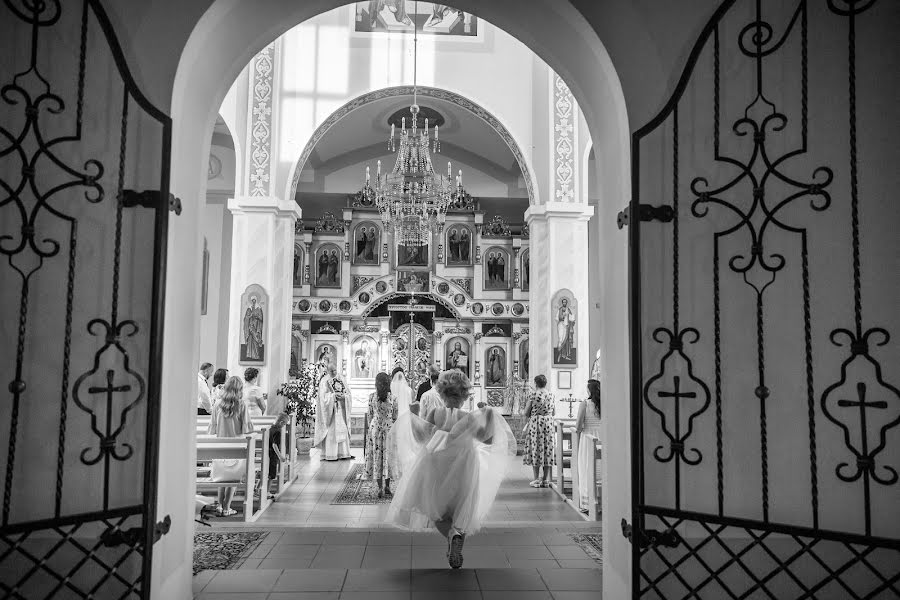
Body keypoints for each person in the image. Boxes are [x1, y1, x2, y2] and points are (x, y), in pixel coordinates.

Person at [387, 370, 517, 569]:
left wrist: (413, 415)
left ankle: (451, 535)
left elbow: (421, 438)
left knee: (435, 509)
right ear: (465, 395)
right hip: (464, 465)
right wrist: (489, 415)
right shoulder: (469, 417)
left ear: (441, 393)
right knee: (463, 508)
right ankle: (456, 536)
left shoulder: (435, 414)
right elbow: (488, 440)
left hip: (436, 465)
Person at [207, 376, 255, 516]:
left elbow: (212, 428)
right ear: (239, 389)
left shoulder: (218, 404)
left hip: (220, 444)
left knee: (222, 477)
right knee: (233, 477)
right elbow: (247, 428)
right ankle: (227, 507)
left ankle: (220, 506)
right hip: (237, 444)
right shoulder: (241, 404)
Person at [365, 372, 398, 497]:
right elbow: (395, 416)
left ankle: (379, 488)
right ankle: (388, 487)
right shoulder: (393, 398)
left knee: (377, 457)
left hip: (376, 429)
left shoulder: (372, 397)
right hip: (389, 429)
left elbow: (370, 415)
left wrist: (372, 427)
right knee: (388, 458)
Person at [313, 363, 353, 461]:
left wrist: (344, 397)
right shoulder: (324, 381)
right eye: (332, 371)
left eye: (335, 370)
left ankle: (343, 453)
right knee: (331, 432)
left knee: (342, 429)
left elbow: (348, 394)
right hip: (331, 413)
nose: (334, 372)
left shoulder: (341, 378)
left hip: (341, 410)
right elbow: (322, 398)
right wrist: (332, 396)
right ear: (327, 371)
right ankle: (331, 454)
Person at [523, 374, 555, 488]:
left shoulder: (533, 394)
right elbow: (553, 412)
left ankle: (536, 479)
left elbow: (526, 412)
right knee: (547, 449)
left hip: (536, 424)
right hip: (548, 423)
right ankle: (545, 480)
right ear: (545, 383)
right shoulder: (551, 395)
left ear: (536, 383)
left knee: (536, 448)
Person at [575, 379, 602, 512]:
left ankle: (588, 503)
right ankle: (602, 502)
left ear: (589, 390)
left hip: (588, 438)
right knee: (601, 470)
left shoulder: (585, 404)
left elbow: (578, 426)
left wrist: (578, 430)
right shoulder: (605, 403)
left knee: (586, 468)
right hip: (602, 438)